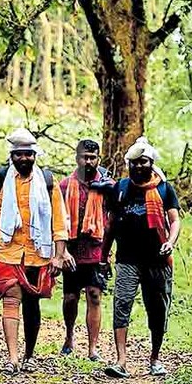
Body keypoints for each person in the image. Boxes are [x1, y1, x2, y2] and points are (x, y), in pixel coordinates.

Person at [0, 128, 73, 374]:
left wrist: (58, 255)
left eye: (28, 154)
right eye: (19, 155)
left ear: (34, 155)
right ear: (11, 156)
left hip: (37, 253)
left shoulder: (47, 181)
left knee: (32, 304)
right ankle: (12, 358)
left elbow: (59, 220)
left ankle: (29, 355)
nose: (24, 159)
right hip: (6, 251)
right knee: (11, 300)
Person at [103, 136, 181, 378]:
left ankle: (155, 358)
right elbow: (111, 224)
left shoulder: (164, 189)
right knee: (122, 303)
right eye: (134, 162)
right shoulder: (121, 188)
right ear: (129, 164)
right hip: (127, 259)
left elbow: (175, 220)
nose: (138, 166)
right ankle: (121, 360)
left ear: (151, 163)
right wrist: (103, 255)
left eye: (143, 161)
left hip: (157, 260)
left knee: (157, 309)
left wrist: (170, 242)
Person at [58, 139, 115, 361]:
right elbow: (57, 221)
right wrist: (60, 252)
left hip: (96, 249)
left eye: (92, 157)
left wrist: (108, 252)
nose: (88, 161)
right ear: (77, 158)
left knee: (94, 295)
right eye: (84, 157)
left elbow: (112, 219)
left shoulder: (107, 187)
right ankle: (69, 338)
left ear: (98, 159)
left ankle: (92, 348)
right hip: (71, 249)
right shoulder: (64, 186)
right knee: (70, 297)